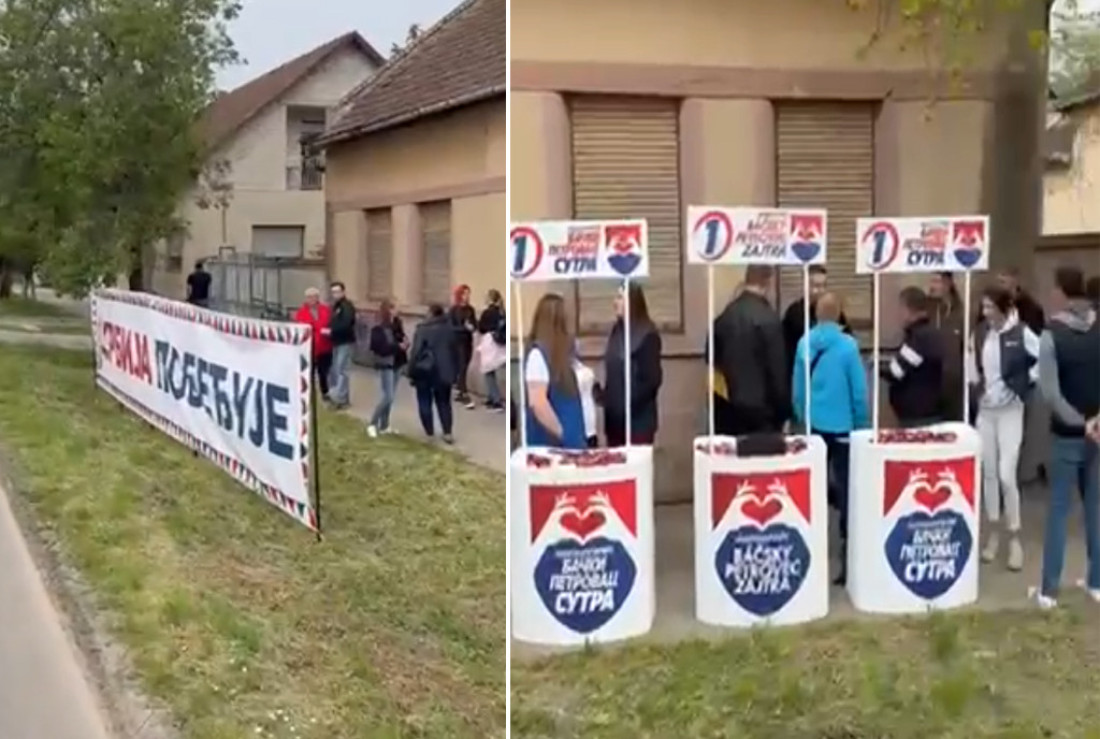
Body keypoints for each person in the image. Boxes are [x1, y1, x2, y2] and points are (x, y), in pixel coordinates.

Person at [791, 292, 868, 586]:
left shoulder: (804, 344)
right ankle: (848, 557)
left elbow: (797, 388)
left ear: (815, 314)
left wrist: (803, 415)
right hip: (844, 429)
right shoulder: (848, 346)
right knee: (848, 491)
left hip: (814, 426)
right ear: (839, 316)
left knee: (813, 488)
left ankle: (811, 548)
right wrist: (862, 424)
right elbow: (858, 391)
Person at [1034, 266, 1100, 608]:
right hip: (1098, 433)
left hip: (1066, 435)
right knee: (1096, 508)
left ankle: (1049, 590)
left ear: (1061, 292)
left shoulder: (1051, 334)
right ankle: (1097, 583)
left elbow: (1051, 393)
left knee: (1059, 510)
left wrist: (1079, 423)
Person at [965, 286, 1040, 571]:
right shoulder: (981, 333)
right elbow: (972, 368)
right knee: (990, 474)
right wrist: (977, 391)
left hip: (1011, 411)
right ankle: (993, 534)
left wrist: (1023, 384)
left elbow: (1044, 360)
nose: (985, 313)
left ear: (1004, 307)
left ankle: (1015, 537)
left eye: (989, 307)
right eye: (982, 308)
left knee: (1008, 474)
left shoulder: (1020, 332)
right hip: (987, 411)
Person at [712, 265, 788, 435]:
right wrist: (783, 412)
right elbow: (778, 371)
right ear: (768, 283)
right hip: (763, 412)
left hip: (728, 407)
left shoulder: (725, 316)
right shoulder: (769, 319)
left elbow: (712, 360)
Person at [602, 283, 663, 447]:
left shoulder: (647, 335)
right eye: (616, 297)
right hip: (615, 424)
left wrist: (626, 403)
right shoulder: (617, 331)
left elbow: (652, 380)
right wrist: (604, 397)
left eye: (620, 298)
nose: (615, 302)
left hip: (638, 424)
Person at [523, 293, 587, 449]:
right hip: (552, 448)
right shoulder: (538, 356)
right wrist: (565, 435)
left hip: (572, 442)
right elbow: (538, 404)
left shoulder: (564, 354)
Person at [882, 287, 945, 427]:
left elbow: (896, 371)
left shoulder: (919, 337)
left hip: (919, 415)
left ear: (908, 309)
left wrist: (876, 367)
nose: (898, 314)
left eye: (900, 309)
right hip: (925, 411)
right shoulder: (926, 333)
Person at [781, 265, 851, 380]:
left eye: (824, 286)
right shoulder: (795, 313)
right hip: (804, 377)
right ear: (806, 285)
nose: (821, 290)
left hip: (831, 376)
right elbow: (787, 350)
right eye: (816, 286)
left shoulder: (834, 312)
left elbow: (847, 339)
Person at [408, 303, 458, 443]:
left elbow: (415, 352)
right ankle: (447, 432)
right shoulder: (449, 330)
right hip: (444, 372)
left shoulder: (422, 329)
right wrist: (455, 372)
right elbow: (455, 352)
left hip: (424, 371)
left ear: (430, 313)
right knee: (444, 403)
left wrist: (411, 371)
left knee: (424, 401)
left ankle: (429, 432)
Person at [366, 299, 408, 437]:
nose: (398, 310)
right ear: (389, 309)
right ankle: (372, 423)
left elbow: (401, 337)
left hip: (398, 362)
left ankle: (384, 425)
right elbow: (377, 347)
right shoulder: (379, 327)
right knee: (387, 396)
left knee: (391, 396)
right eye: (396, 307)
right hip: (386, 363)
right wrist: (397, 346)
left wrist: (405, 342)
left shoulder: (397, 323)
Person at [928, 271, 965, 422]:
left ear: (948, 283)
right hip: (931, 382)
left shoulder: (961, 313)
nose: (932, 286)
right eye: (931, 281)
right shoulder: (928, 309)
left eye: (937, 281)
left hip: (954, 381)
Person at [292, 287, 333, 399]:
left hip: (325, 346)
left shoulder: (325, 310)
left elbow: (330, 323)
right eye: (309, 297)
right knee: (309, 372)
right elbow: (301, 328)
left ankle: (325, 393)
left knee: (323, 372)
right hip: (310, 347)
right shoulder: (301, 313)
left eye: (314, 296)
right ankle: (308, 393)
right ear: (306, 299)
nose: (312, 299)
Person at [326, 281, 357, 410]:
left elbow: (346, 323)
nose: (335, 294)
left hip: (345, 341)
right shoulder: (336, 306)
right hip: (337, 341)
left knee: (342, 370)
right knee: (337, 369)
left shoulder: (347, 306)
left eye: (337, 291)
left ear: (343, 292)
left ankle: (340, 398)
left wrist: (332, 330)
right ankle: (340, 397)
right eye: (333, 292)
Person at [475, 289, 506, 412]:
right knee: (493, 370)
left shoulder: (487, 312)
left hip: (490, 343)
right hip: (500, 344)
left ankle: (496, 400)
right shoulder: (502, 312)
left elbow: (481, 328)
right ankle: (492, 397)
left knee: (488, 372)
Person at [449, 284, 478, 410]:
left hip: (467, 342)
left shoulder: (470, 309)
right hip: (457, 342)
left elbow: (475, 324)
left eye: (468, 294)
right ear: (460, 295)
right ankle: (464, 393)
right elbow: (451, 327)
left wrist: (472, 327)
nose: (467, 296)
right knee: (461, 366)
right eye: (465, 294)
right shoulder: (454, 310)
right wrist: (464, 328)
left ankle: (459, 390)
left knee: (465, 366)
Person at [996, 267, 1046, 334]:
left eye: (1002, 282)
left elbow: (1036, 334)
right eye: (998, 282)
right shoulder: (996, 305)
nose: (999, 287)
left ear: (1015, 281)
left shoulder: (1031, 307)